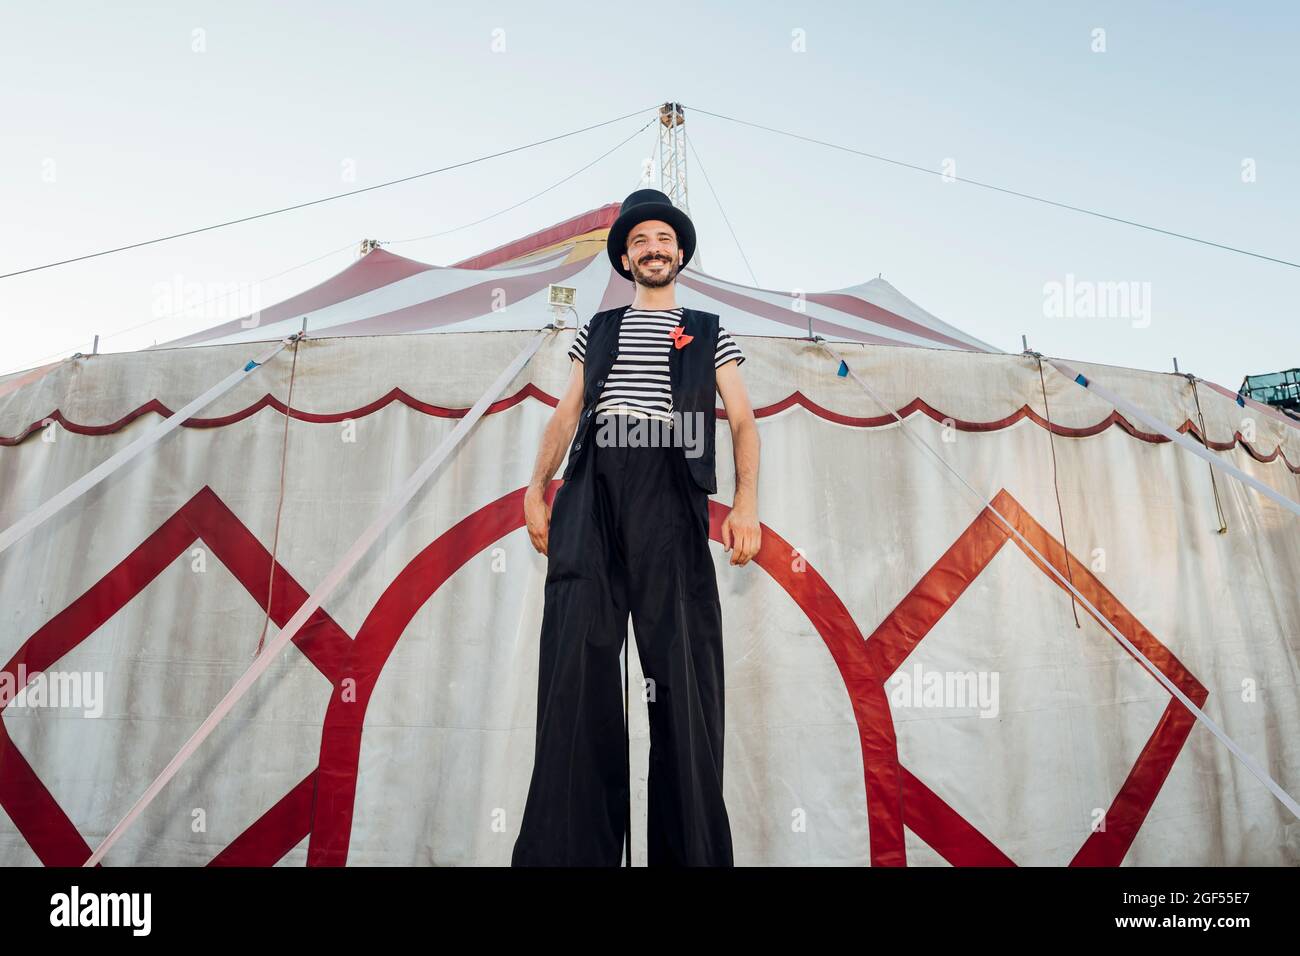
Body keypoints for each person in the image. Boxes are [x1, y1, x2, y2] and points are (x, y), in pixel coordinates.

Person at [512, 188, 761, 866]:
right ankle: (568, 854)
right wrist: (536, 488)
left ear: (678, 252)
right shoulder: (600, 329)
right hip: (594, 486)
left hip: (670, 487)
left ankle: (692, 856)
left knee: (681, 670)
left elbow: (740, 418)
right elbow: (568, 415)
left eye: (664, 239)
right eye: (641, 241)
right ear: (626, 257)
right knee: (577, 666)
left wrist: (745, 504)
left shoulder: (711, 330)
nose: (653, 249)